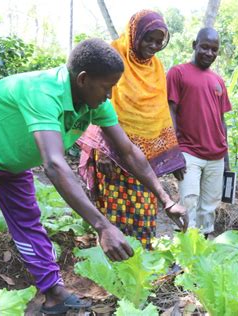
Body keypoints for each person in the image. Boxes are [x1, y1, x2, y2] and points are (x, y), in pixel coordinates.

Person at [0, 38, 187, 315]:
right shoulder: (42, 92)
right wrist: (102, 226)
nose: (110, 95)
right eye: (107, 86)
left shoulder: (94, 103)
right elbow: (53, 164)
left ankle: (54, 294)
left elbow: (128, 152)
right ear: (84, 79)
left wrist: (165, 199)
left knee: (28, 223)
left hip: (12, 163)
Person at [78, 10, 185, 250]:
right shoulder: (114, 54)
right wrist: (104, 150)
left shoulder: (156, 67)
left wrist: (171, 155)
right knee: (115, 213)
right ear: (135, 33)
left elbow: (158, 113)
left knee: (145, 213)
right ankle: (113, 268)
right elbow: (97, 102)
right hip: (111, 150)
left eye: (160, 41)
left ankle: (140, 267)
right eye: (149, 39)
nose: (154, 46)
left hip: (142, 157)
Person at [166, 27, 232, 238]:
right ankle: (184, 255)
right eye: (205, 47)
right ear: (195, 45)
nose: (209, 53)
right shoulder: (178, 73)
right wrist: (173, 153)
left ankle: (203, 253)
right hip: (188, 152)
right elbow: (171, 113)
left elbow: (221, 121)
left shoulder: (218, 81)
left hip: (216, 156)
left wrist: (227, 158)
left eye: (214, 49)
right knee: (189, 203)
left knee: (209, 207)